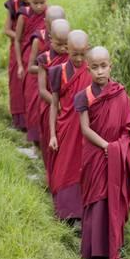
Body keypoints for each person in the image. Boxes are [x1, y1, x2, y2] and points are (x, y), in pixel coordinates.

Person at [74, 46, 130, 259]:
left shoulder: (120, 94)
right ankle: (93, 251)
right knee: (96, 198)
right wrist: (106, 147)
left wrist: (117, 147)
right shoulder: (84, 96)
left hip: (115, 154)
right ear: (88, 69)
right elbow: (85, 129)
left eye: (104, 66)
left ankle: (111, 248)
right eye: (95, 67)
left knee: (112, 198)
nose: (100, 71)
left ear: (110, 66)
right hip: (95, 153)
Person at [48, 30, 92, 220]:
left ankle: (80, 213)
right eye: (75, 54)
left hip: (85, 130)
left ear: (88, 50)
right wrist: (52, 134)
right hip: (65, 127)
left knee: (81, 169)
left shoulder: (92, 72)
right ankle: (65, 213)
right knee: (64, 169)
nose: (79, 58)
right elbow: (54, 103)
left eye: (83, 54)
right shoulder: (58, 72)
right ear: (67, 49)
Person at [28, 18, 70, 180]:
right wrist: (58, 105)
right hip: (49, 106)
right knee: (50, 142)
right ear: (50, 39)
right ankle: (51, 175)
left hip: (68, 108)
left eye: (66, 44)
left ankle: (63, 176)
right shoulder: (44, 59)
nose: (63, 48)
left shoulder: (72, 56)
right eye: (59, 44)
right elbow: (42, 90)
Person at [25, 6, 67, 148]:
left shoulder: (70, 44)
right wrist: (50, 71)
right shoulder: (40, 41)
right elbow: (31, 67)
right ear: (46, 23)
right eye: (51, 25)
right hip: (49, 95)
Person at [14, 0, 48, 142]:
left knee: (43, 102)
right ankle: (34, 136)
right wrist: (20, 64)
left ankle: (43, 136)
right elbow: (18, 39)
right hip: (30, 61)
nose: (39, 6)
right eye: (36, 3)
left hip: (46, 63)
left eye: (42, 2)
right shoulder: (24, 15)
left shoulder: (50, 14)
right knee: (32, 99)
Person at [3, 0, 32, 130]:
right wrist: (21, 38)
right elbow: (7, 30)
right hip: (18, 48)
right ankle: (19, 120)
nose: (28, 0)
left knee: (30, 83)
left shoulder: (38, 1)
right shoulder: (13, 4)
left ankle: (31, 118)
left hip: (33, 48)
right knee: (16, 83)